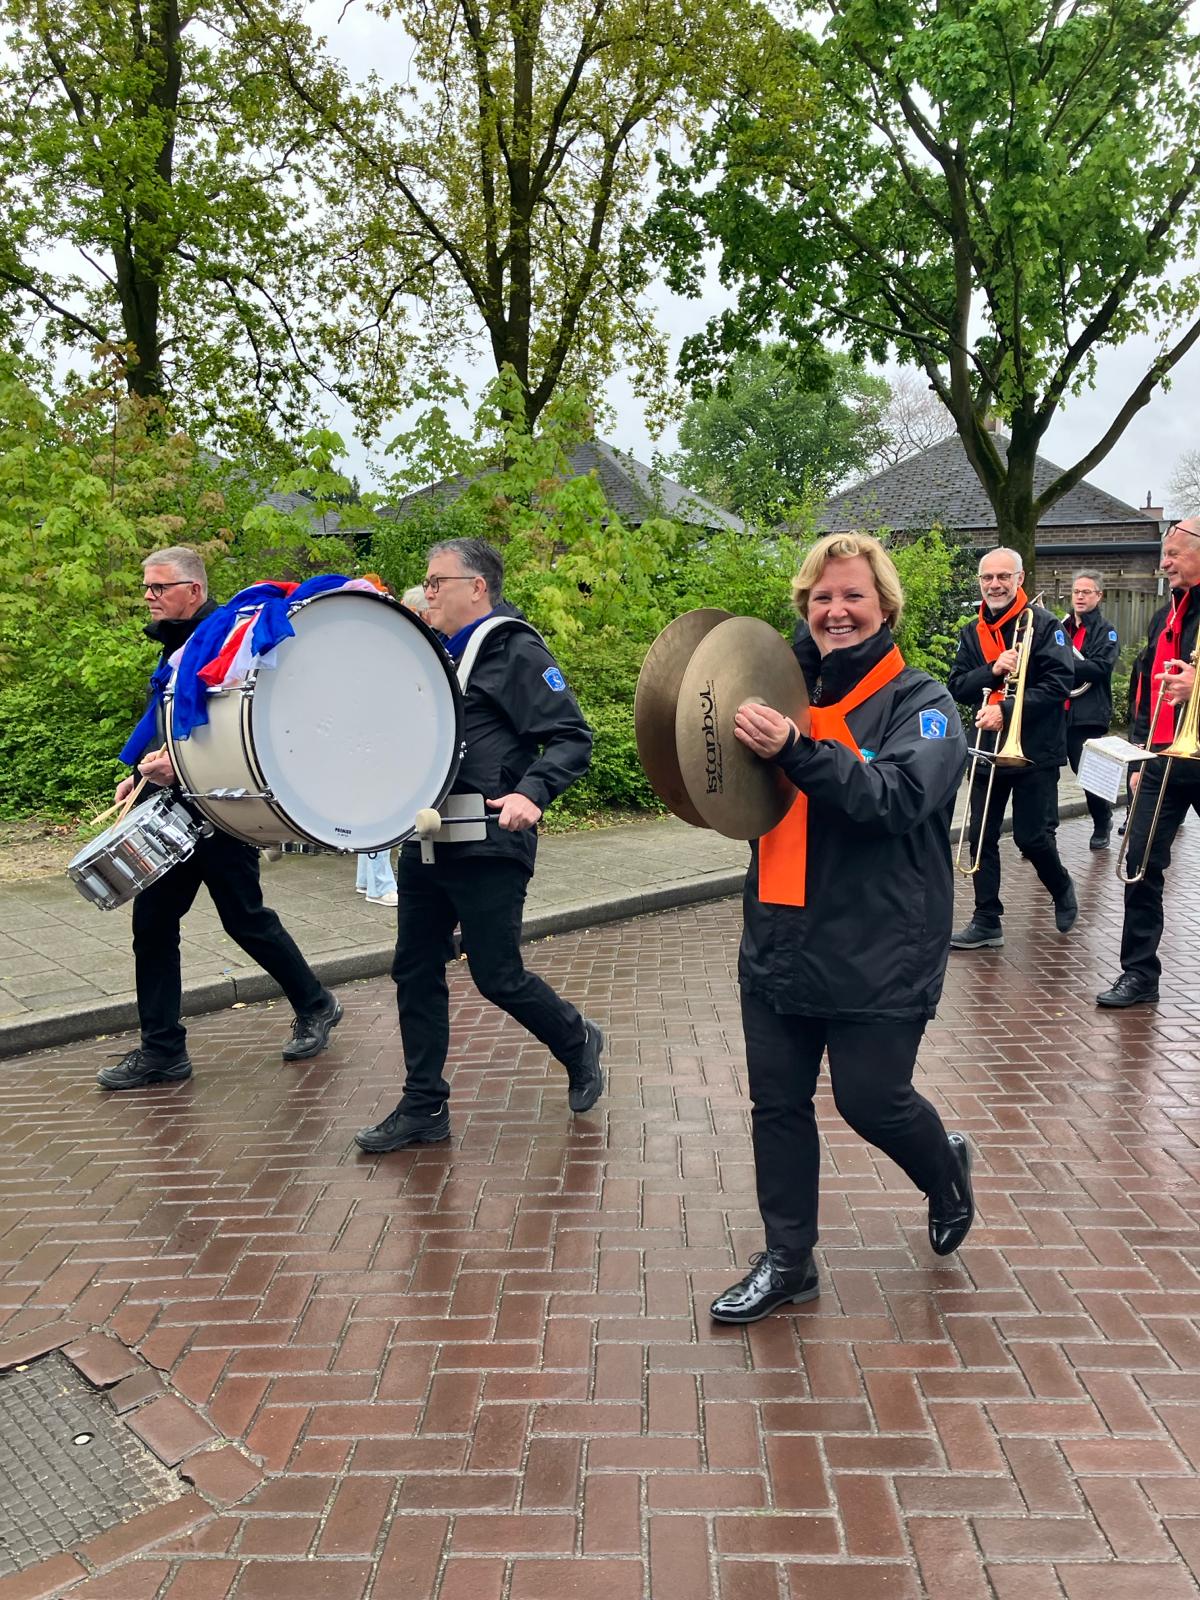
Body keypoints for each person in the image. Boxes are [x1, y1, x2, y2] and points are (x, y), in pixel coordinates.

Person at [709, 533, 974, 1325]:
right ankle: (788, 1261)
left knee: (871, 1102)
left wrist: (798, 751)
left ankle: (944, 1169)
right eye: (821, 597)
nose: (836, 611)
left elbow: (896, 799)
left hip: (881, 942)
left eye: (853, 595)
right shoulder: (775, 690)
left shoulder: (925, 704)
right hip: (780, 934)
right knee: (777, 1105)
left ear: (885, 605)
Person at [354, 537, 604, 1153]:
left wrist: (532, 793)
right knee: (414, 969)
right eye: (427, 581)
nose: (428, 591)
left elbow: (572, 736)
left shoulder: (514, 649)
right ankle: (423, 1106)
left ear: (477, 587)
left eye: (437, 581)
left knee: (497, 975)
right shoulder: (430, 655)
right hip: (426, 842)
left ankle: (577, 1040)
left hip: (490, 842)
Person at [97, 546, 343, 1090]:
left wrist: (178, 762)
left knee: (244, 918)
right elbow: (166, 714)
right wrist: (140, 773)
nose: (148, 596)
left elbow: (239, 722)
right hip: (173, 804)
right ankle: (163, 1050)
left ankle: (316, 1003)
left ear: (194, 590)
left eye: (159, 587)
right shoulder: (178, 642)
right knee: (152, 925)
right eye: (146, 587)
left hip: (219, 806)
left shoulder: (229, 638)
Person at [947, 548, 1077, 950]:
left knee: (1031, 838)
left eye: (1003, 577)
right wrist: (993, 670)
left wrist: (1006, 709)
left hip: (1035, 750)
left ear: (1019, 579)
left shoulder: (1044, 624)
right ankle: (987, 918)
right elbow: (958, 686)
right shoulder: (972, 632)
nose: (995, 585)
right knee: (980, 836)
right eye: (987, 578)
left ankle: (1061, 885)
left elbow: (1059, 685)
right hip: (987, 748)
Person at [1096, 518, 1200, 1008]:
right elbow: (1145, 689)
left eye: (1174, 553)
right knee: (1138, 863)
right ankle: (1139, 974)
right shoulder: (1165, 615)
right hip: (1162, 759)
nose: (1164, 563)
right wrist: (1138, 757)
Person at [1061, 570, 1120, 849]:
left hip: (1087, 712)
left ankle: (1101, 821)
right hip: (1057, 710)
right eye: (1076, 592)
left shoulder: (1105, 630)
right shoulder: (1061, 627)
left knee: (1086, 770)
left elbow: (1100, 667)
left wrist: (1061, 666)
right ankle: (1042, 832)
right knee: (1045, 773)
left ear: (1099, 595)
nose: (1080, 597)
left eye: (1086, 592)